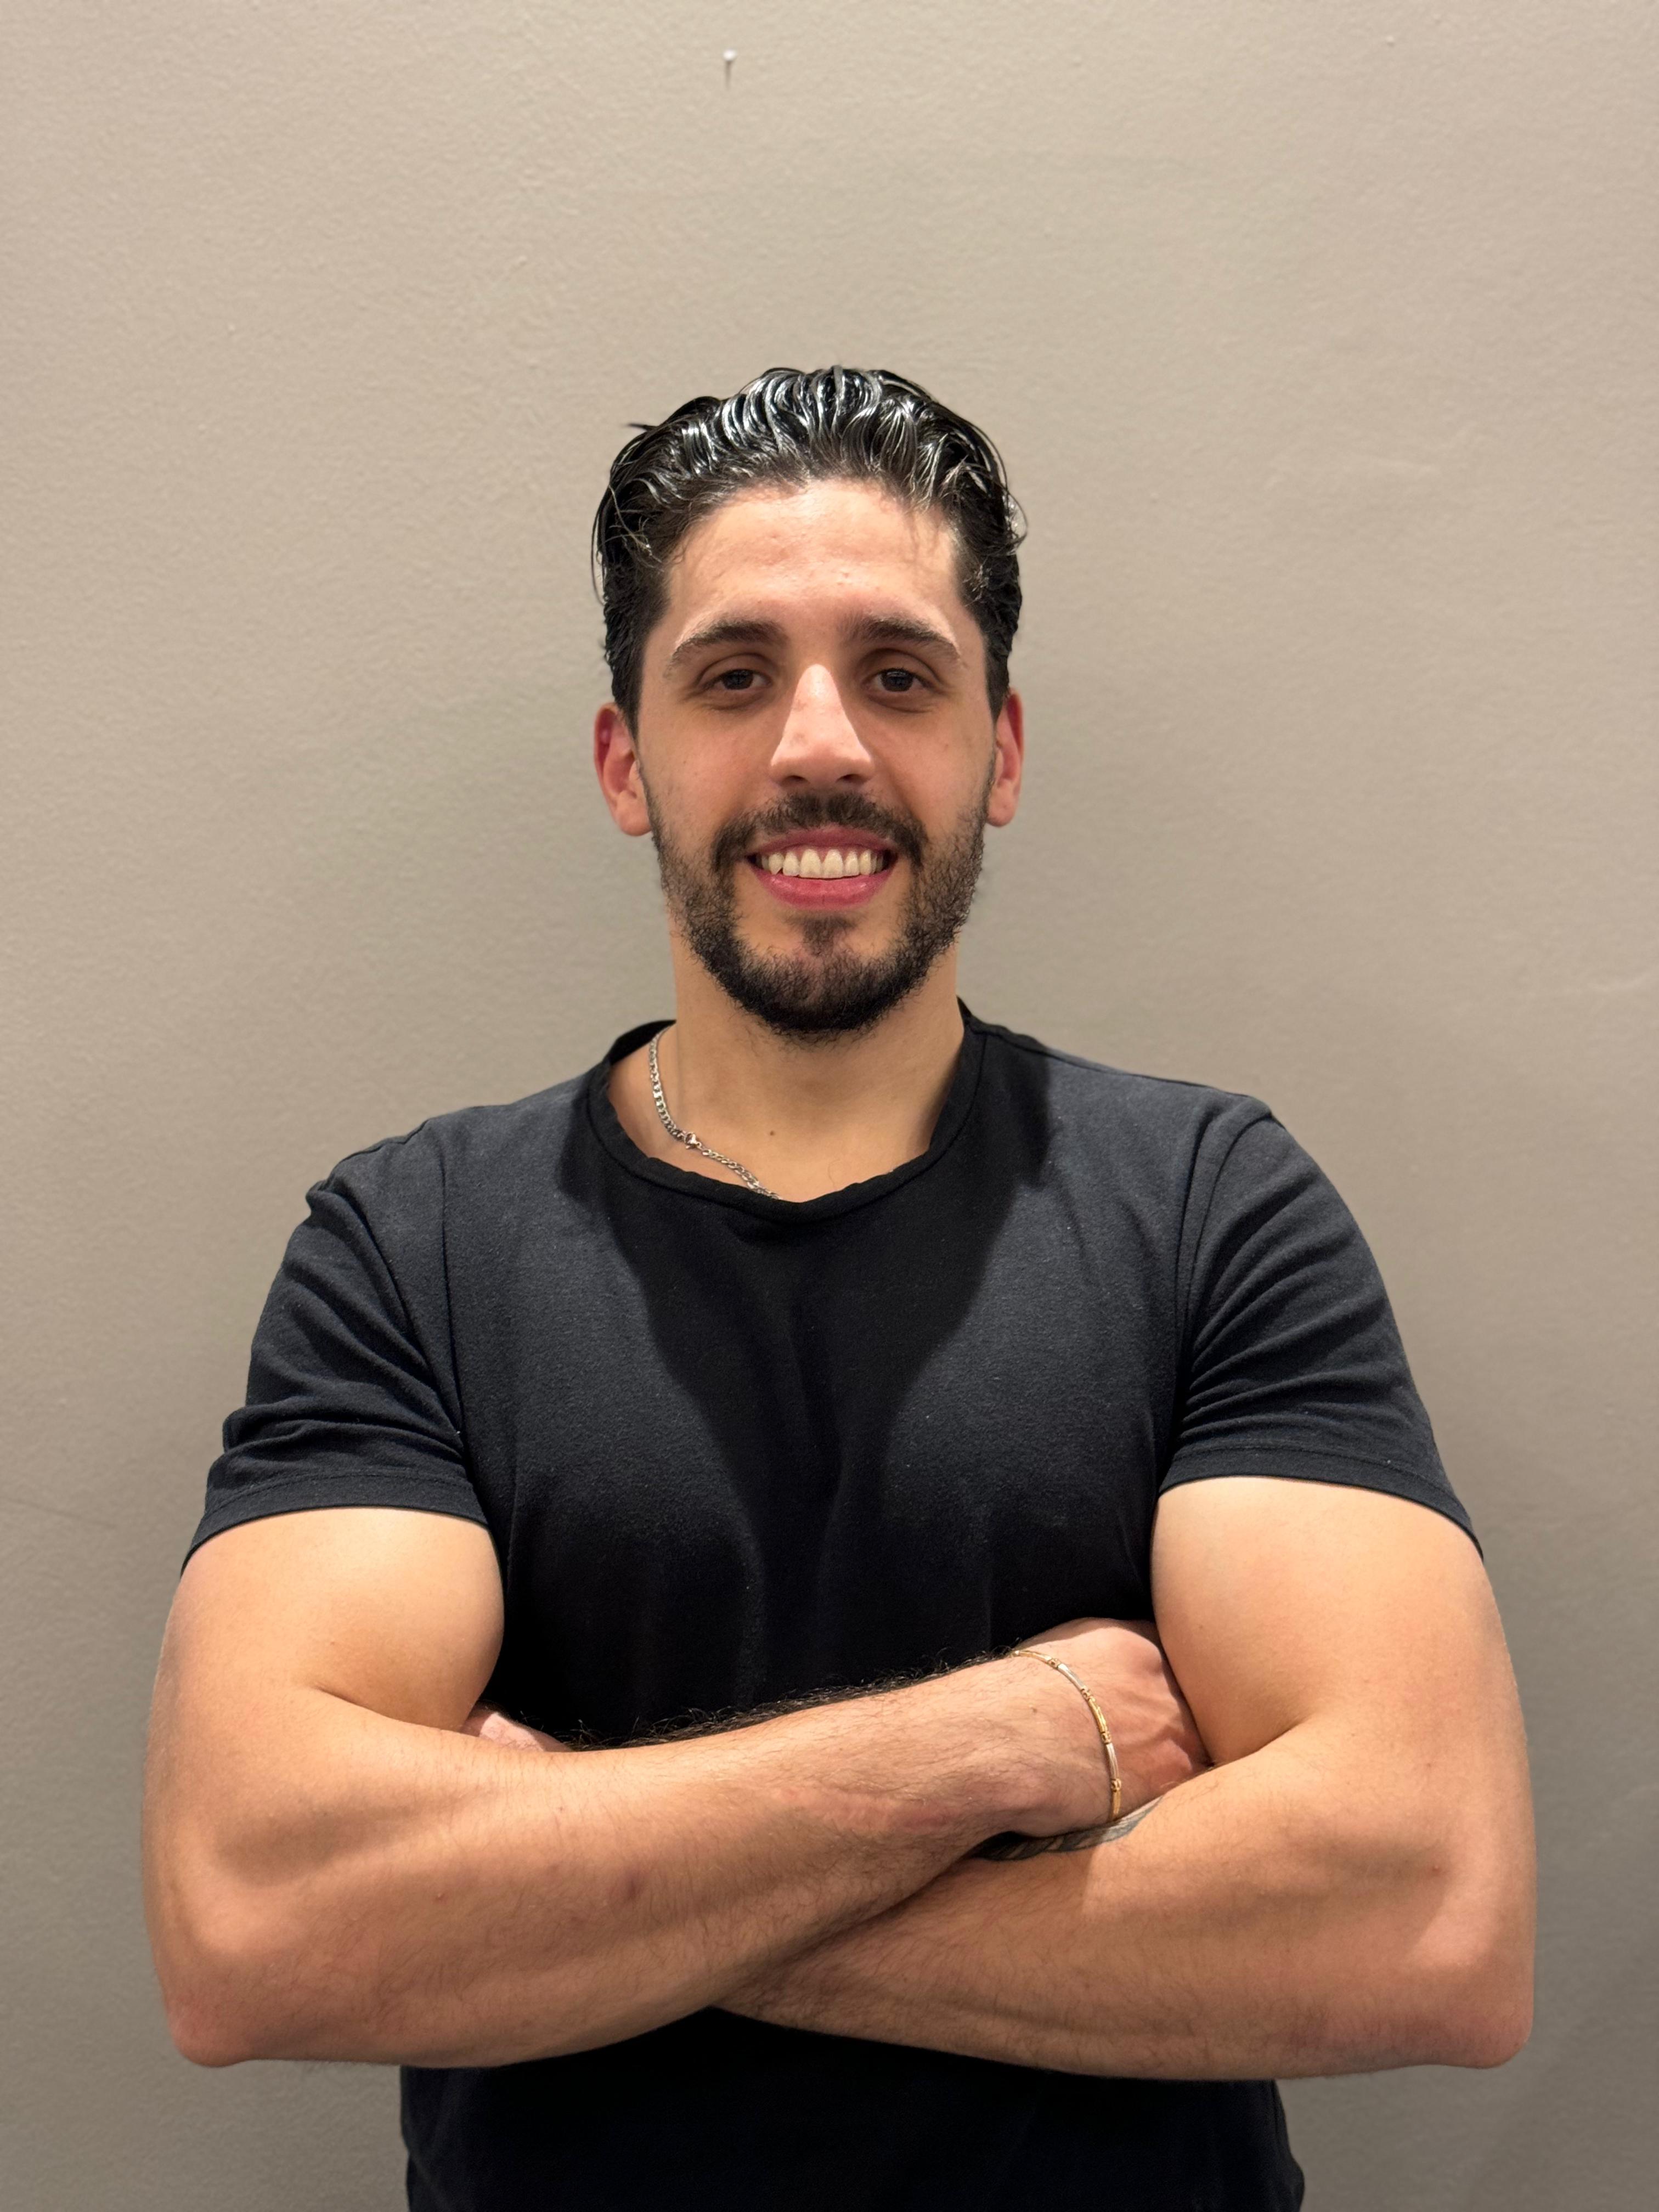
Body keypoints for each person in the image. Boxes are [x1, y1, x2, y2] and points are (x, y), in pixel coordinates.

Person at [142, 367, 1535, 2212]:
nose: (822, 745)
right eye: (734, 678)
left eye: (899, 675)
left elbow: (1427, 1913)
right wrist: (1003, 1744)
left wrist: (579, 1891)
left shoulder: (1210, 1206)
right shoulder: (414, 1247)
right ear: (626, 760)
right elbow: (255, 1921)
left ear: (1000, 751)